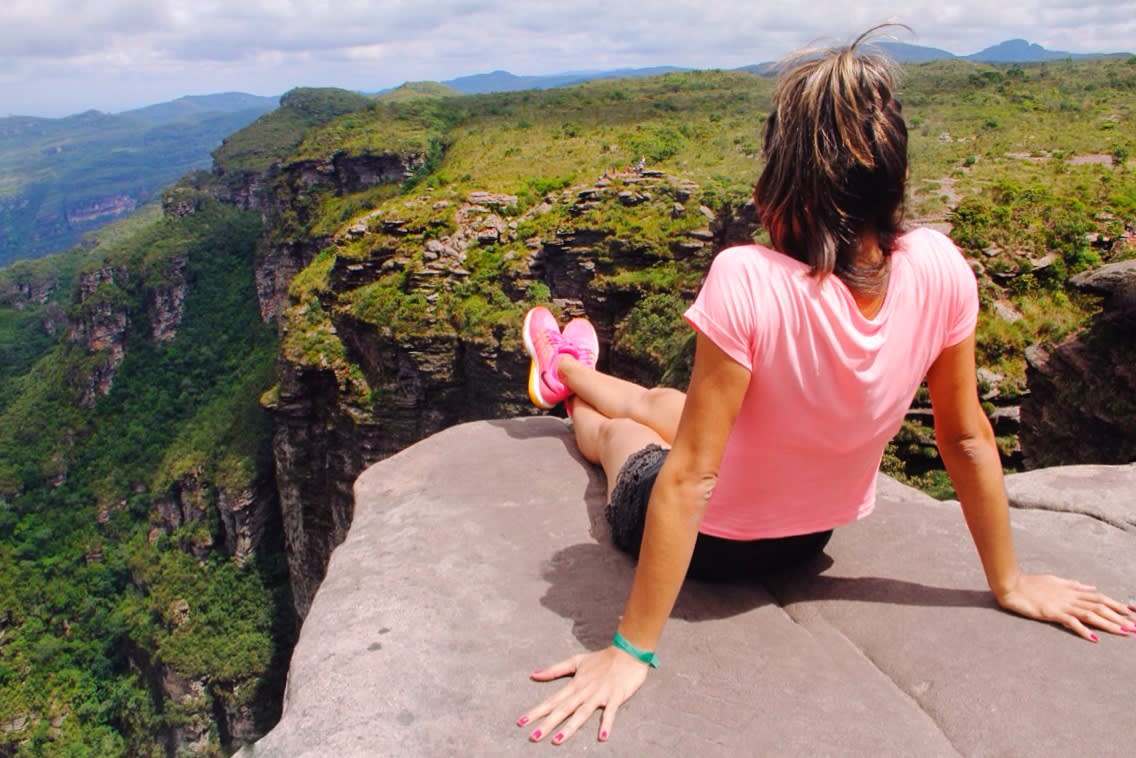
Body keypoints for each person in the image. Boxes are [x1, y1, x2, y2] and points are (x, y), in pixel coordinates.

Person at [513, 28, 1136, 747]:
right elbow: (966, 436)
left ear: (778, 186)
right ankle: (569, 362)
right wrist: (1011, 581)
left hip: (717, 547)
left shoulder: (748, 278)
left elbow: (688, 481)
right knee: (667, 406)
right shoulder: (941, 266)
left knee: (620, 436)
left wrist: (630, 650)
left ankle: (564, 385)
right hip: (811, 535)